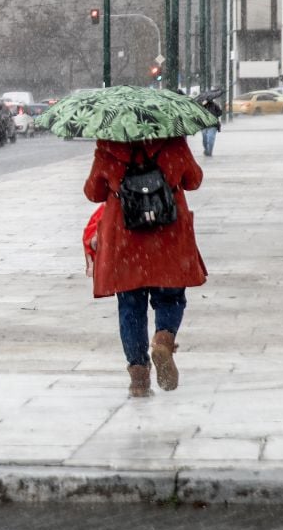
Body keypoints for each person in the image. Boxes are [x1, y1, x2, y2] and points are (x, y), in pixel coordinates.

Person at [83, 137, 206, 397]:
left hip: (125, 239)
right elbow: (194, 180)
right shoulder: (173, 142)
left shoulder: (108, 146)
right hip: (168, 236)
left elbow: (93, 192)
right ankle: (163, 340)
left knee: (130, 307)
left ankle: (138, 376)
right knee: (171, 297)